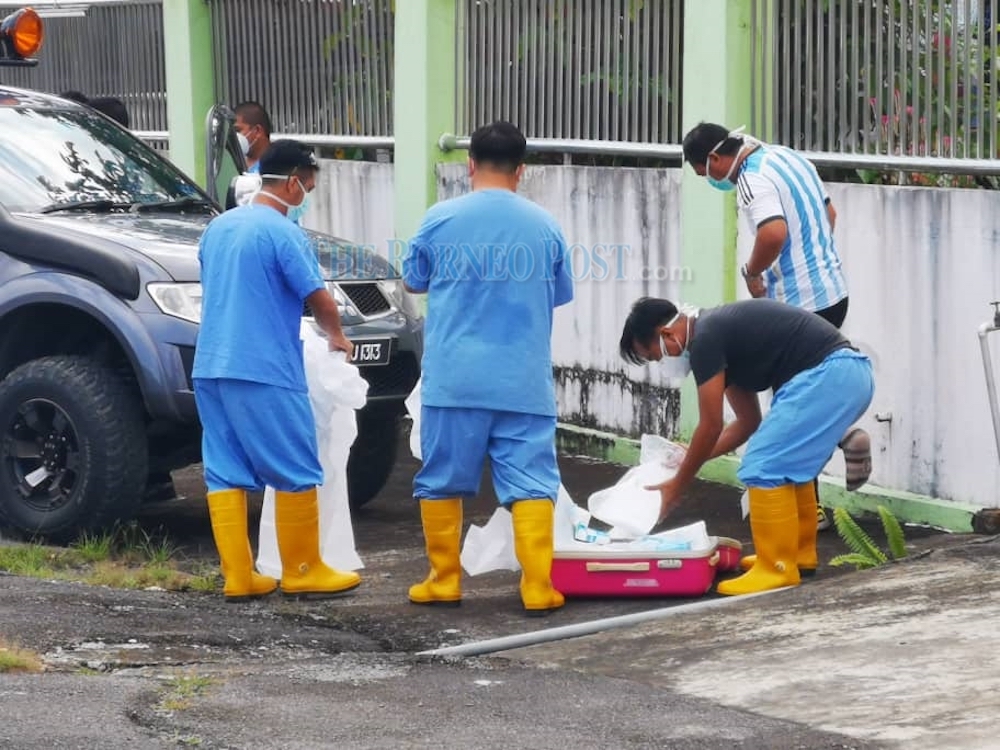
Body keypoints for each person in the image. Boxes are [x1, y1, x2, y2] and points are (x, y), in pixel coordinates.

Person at [401, 121, 574, 617]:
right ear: (523, 170)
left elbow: (414, 281)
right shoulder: (545, 226)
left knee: (440, 480)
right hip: (523, 381)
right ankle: (538, 586)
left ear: (470, 164)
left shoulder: (440, 218)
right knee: (532, 484)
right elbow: (558, 294)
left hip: (454, 379)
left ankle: (444, 580)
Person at [681, 122, 872, 530]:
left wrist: (753, 271)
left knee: (793, 406)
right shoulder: (787, 155)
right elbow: (829, 213)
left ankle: (817, 491)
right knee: (803, 396)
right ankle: (841, 441)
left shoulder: (750, 178)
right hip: (834, 292)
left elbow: (772, 232)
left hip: (799, 304)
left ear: (715, 159)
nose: (711, 181)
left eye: (705, 173)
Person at [192, 139, 360, 602]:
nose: (306, 192)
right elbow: (318, 297)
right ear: (291, 182)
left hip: (210, 366)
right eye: (307, 184)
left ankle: (239, 576)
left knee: (224, 469)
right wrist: (337, 337)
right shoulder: (284, 233)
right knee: (294, 465)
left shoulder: (218, 228)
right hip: (263, 366)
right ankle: (303, 569)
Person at [618, 297, 875, 595]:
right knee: (788, 466)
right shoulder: (714, 334)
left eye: (655, 357)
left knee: (763, 465)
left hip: (828, 375)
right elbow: (747, 422)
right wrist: (690, 457)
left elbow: (710, 425)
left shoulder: (704, 341)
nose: (661, 365)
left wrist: (677, 485)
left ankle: (775, 567)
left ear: (666, 335)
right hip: (846, 374)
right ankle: (796, 556)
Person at [234, 100, 273, 173]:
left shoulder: (277, 165)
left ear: (257, 131)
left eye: (237, 130)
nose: (234, 136)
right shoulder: (232, 165)